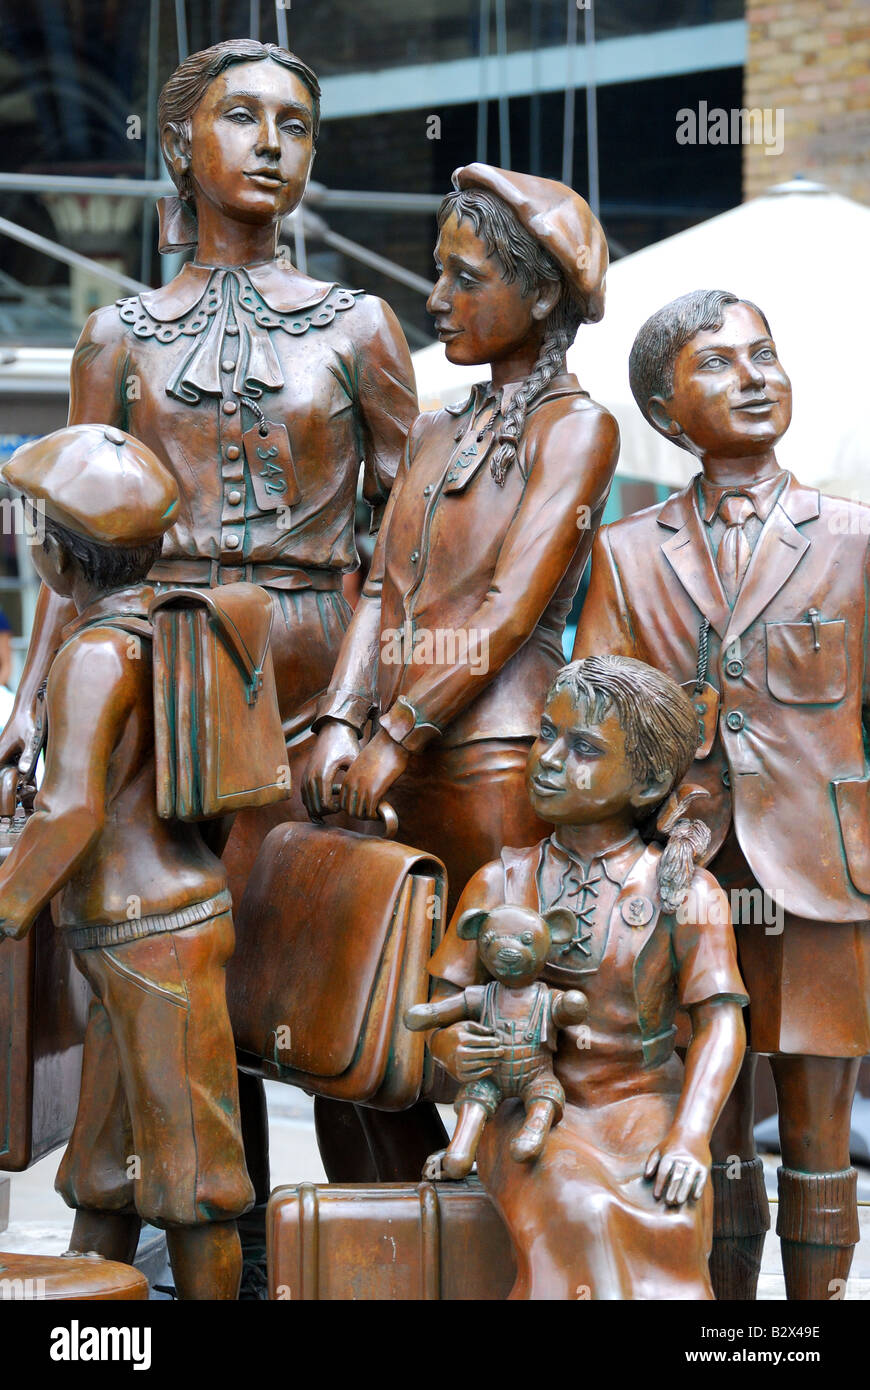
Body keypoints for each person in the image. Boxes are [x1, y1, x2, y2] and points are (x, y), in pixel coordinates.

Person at [0, 38, 417, 899]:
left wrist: (358, 708)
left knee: (297, 932)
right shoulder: (118, 335)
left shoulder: (361, 326)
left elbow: (410, 542)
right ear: (180, 147)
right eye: (241, 116)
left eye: (294, 127)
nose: (271, 143)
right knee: (142, 920)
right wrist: (27, 701)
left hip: (310, 665)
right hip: (150, 662)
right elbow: (72, 549)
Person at [303, 162, 618, 1179]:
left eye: (464, 275)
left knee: (489, 1036)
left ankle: (496, 1254)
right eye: (434, 273)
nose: (434, 299)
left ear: (538, 294)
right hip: (389, 770)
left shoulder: (576, 429)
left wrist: (398, 731)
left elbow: (507, 609)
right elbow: (381, 591)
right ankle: (387, 1249)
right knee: (367, 1027)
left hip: (493, 768)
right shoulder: (436, 428)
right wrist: (344, 720)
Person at [572, 289, 870, 1300]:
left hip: (823, 875)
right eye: (718, 363)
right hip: (684, 877)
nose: (753, 377)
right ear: (664, 411)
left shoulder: (854, 538)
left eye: (765, 354)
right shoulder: (624, 552)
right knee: (714, 1124)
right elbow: (600, 721)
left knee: (822, 1129)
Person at [0, 424, 254, 1299]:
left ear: (60, 560)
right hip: (143, 934)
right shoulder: (158, 630)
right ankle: (91, 1324)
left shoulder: (94, 655)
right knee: (107, 1162)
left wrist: (5, 899)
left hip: (148, 940)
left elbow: (72, 809)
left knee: (193, 1174)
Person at [426, 655, 747, 1300]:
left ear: (650, 779)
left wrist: (689, 1137)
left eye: (584, 749)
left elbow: (721, 1024)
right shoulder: (501, 883)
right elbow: (444, 1009)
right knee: (581, 1211)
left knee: (672, 1220)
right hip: (531, 1107)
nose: (547, 758)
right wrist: (454, 1047)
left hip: (644, 1108)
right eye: (546, 733)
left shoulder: (686, 892)